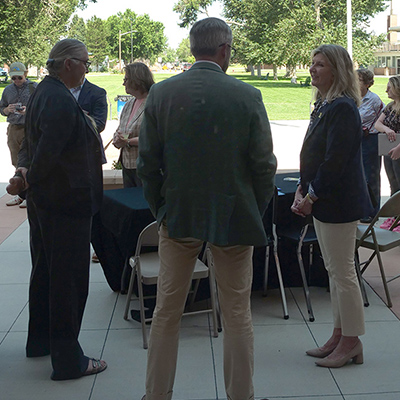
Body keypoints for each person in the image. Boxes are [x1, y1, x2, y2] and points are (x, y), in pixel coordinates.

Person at [137, 17, 277, 400]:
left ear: (193, 47)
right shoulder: (247, 96)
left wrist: (161, 210)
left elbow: (146, 164)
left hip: (178, 215)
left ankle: (156, 394)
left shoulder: (162, 95)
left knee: (166, 311)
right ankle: (241, 396)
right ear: (225, 50)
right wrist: (253, 206)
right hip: (233, 216)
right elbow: (264, 165)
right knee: (236, 313)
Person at [7, 38, 107, 380]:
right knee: (68, 281)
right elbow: (46, 153)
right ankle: (68, 360)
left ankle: (41, 342)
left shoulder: (42, 93)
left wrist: (24, 176)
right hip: (65, 203)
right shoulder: (58, 98)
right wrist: (28, 177)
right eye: (85, 62)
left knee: (47, 272)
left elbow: (34, 146)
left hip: (48, 203)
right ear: (68, 63)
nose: (87, 69)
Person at [291, 44, 372, 368]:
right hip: (324, 201)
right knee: (334, 272)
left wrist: (311, 197)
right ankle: (340, 335)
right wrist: (301, 187)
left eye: (320, 64)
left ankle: (351, 341)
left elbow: (334, 162)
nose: (313, 69)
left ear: (336, 70)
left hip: (337, 203)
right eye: (312, 63)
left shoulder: (342, 108)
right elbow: (313, 154)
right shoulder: (324, 105)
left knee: (343, 274)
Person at [0, 62, 37, 208]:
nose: (16, 81)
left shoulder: (34, 87)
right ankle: (21, 194)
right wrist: (7, 110)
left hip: (30, 128)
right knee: (16, 162)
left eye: (19, 77)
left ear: (26, 74)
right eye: (13, 78)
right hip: (14, 128)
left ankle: (31, 194)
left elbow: (42, 107)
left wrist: (28, 110)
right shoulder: (8, 90)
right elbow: (1, 107)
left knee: (31, 161)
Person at [113, 62, 154, 188]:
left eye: (126, 79)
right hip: (127, 167)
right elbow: (119, 130)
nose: (123, 83)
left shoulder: (154, 103)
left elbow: (157, 138)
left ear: (137, 80)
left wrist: (129, 141)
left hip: (146, 167)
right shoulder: (129, 104)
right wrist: (118, 140)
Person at [357, 69, 384, 223]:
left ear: (367, 83)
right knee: (358, 175)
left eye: (359, 80)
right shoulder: (351, 97)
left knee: (371, 176)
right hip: (355, 140)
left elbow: (385, 117)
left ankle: (372, 211)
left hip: (371, 140)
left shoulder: (374, 100)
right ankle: (360, 208)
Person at [374, 76, 400, 231]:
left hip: (397, 151)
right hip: (388, 150)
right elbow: (377, 123)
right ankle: (394, 216)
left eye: (389, 87)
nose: (386, 90)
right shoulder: (390, 106)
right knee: (393, 183)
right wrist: (387, 129)